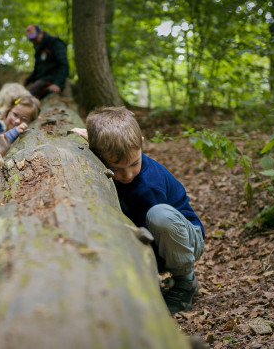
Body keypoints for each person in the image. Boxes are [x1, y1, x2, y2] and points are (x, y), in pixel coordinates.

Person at [71, 107, 205, 314]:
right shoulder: (115, 151)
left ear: (141, 143)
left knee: (159, 216)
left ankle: (186, 283)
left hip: (183, 239)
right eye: (116, 169)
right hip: (151, 234)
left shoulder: (150, 184)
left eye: (134, 164)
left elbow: (155, 230)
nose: (127, 174)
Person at [23, 24, 69, 99]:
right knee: (21, 96)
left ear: (41, 33)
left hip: (51, 80)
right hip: (41, 80)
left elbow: (64, 65)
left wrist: (57, 83)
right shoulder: (38, 49)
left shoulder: (55, 43)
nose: (33, 42)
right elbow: (36, 70)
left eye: (34, 38)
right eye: (31, 40)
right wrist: (26, 81)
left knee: (23, 97)